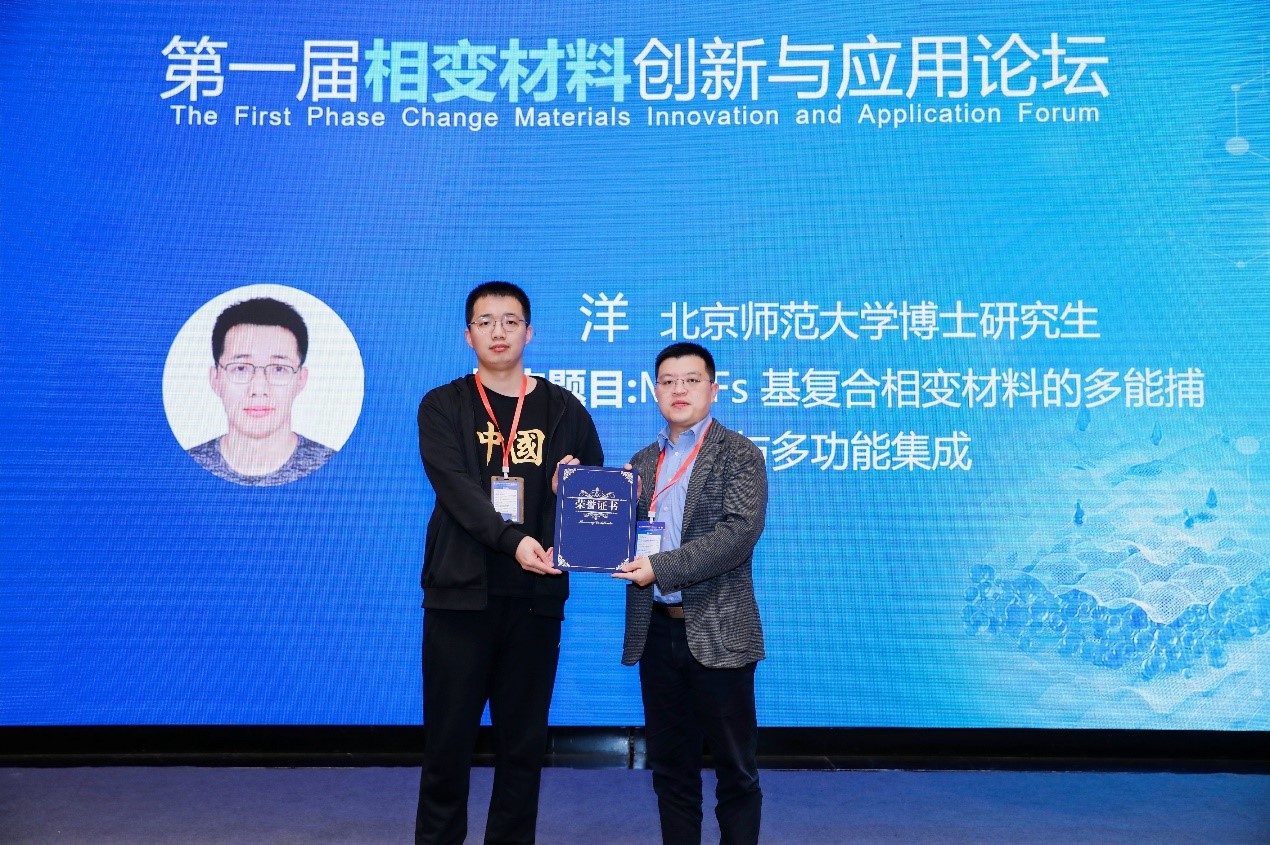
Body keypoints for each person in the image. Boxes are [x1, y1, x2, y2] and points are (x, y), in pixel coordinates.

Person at [415, 281, 603, 845]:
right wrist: (512, 540)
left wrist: (572, 486)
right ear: (467, 335)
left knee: (522, 748)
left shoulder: (564, 409)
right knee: (447, 746)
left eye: (511, 321)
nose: (498, 332)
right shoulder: (442, 405)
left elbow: (593, 498)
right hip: (460, 598)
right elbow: (457, 490)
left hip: (535, 599)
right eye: (486, 321)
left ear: (529, 332)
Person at [614, 342, 767, 845]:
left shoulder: (739, 454)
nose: (679, 389)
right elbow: (616, 534)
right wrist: (573, 510)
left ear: (713, 389)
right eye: (668, 381)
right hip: (656, 634)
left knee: (736, 772)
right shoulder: (641, 462)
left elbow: (737, 536)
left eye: (691, 380)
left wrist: (658, 568)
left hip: (719, 632)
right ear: (655, 391)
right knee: (670, 771)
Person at [187, 297, 335, 486]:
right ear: (215, 379)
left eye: (279, 369)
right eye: (241, 368)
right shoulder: (179, 471)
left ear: (301, 379)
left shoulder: (337, 471)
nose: (258, 389)